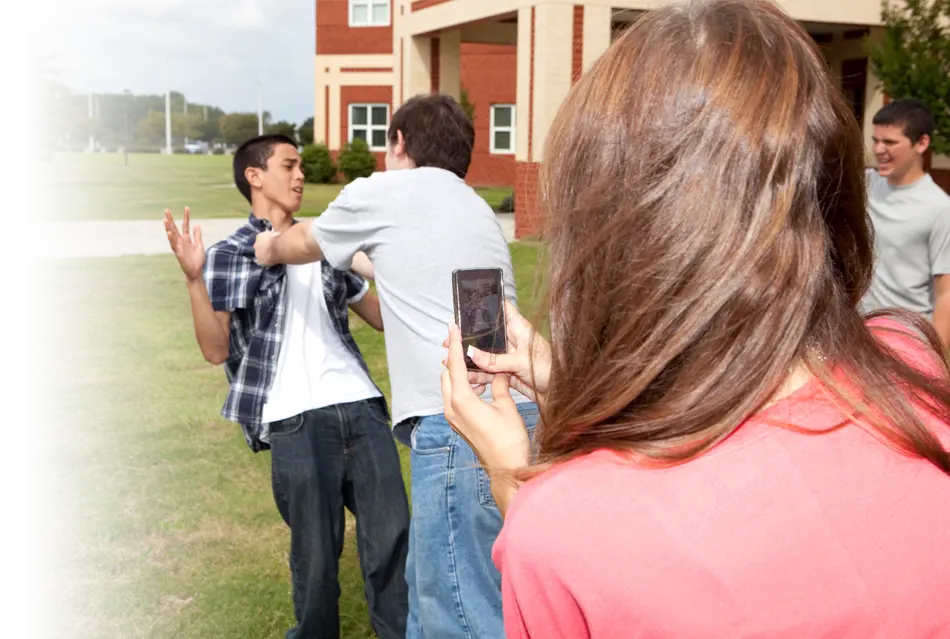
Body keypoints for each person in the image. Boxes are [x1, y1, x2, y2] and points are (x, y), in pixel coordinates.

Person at [439, 1, 950, 637]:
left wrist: (512, 474)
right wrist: (570, 380)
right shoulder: (910, 362)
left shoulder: (568, 528)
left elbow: (590, 560)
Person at [253, 96, 540, 639]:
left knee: (456, 609)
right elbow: (398, 262)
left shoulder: (381, 192)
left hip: (457, 427)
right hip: (516, 414)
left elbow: (301, 241)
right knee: (445, 590)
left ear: (400, 143)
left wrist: (266, 247)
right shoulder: (472, 207)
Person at [162, 133, 410, 639]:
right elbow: (215, 349)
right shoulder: (233, 253)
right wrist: (193, 278)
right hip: (295, 417)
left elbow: (382, 317)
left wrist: (405, 267)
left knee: (393, 542)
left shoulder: (324, 243)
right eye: (289, 165)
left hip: (360, 406)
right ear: (255, 176)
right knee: (316, 559)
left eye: (301, 167)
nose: (301, 176)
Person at [860, 98, 950, 347]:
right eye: (876, 141)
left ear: (921, 143)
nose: (879, 150)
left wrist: (936, 362)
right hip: (860, 334)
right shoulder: (865, 185)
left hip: (907, 342)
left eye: (890, 142)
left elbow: (946, 294)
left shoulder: (940, 209)